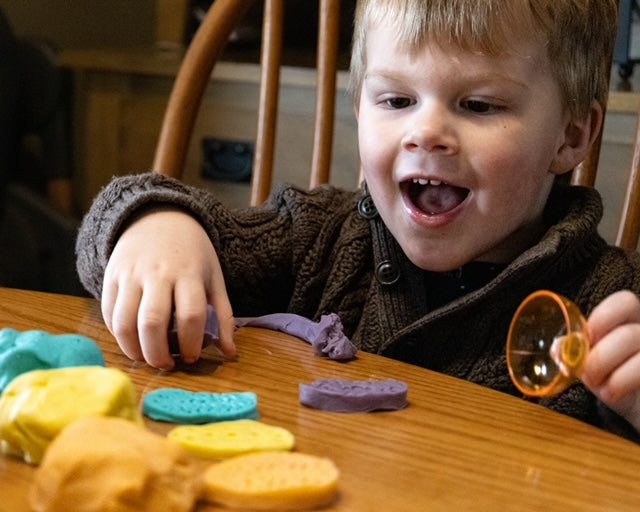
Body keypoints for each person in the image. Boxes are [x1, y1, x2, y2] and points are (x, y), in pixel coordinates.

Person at [76, 0, 640, 440]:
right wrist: (156, 225)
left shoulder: (613, 302)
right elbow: (136, 222)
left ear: (571, 137)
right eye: (396, 100)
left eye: (479, 105)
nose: (425, 133)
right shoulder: (320, 237)